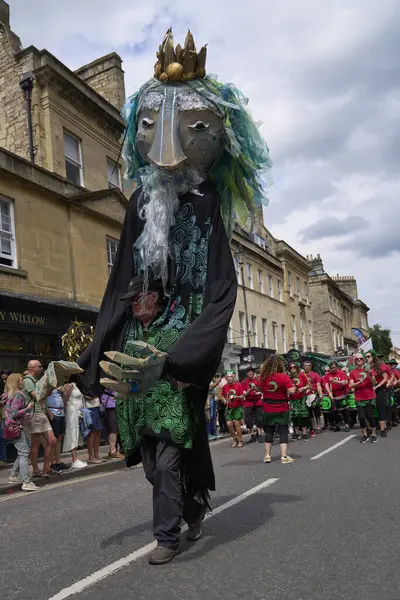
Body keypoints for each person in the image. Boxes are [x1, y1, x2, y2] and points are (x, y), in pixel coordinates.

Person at [78, 27, 270, 566]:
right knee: (151, 448)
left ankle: (168, 534)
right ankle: (191, 505)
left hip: (179, 342)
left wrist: (183, 356)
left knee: (167, 446)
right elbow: (120, 288)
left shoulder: (208, 205)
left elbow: (220, 291)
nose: (165, 151)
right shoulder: (140, 202)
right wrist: (97, 353)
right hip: (140, 339)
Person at [3, 373, 39, 491]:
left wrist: (25, 413)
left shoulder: (10, 395)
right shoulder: (18, 395)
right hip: (17, 427)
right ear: (17, 381)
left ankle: (13, 475)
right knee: (24, 453)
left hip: (12, 427)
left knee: (23, 451)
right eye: (21, 380)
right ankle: (26, 482)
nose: (23, 381)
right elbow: (14, 414)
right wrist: (27, 409)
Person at [259, 355, 296, 464]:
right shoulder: (283, 377)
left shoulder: (263, 377)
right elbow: (292, 390)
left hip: (268, 407)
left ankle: (267, 455)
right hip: (281, 407)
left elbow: (258, 388)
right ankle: (284, 457)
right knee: (283, 430)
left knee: (269, 430)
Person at [23, 360, 57, 478]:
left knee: (52, 440)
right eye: (39, 366)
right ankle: (36, 470)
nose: (41, 368)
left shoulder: (36, 381)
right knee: (35, 444)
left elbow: (42, 397)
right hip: (33, 414)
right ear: (32, 368)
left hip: (41, 413)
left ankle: (46, 468)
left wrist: (50, 388)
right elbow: (36, 396)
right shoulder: (27, 380)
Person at [349, 353, 378, 443]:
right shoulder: (353, 372)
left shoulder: (369, 369)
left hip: (369, 396)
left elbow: (374, 382)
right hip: (359, 397)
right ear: (355, 361)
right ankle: (365, 435)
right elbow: (351, 385)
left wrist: (369, 373)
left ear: (363, 360)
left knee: (370, 416)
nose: (359, 360)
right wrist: (359, 382)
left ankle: (373, 434)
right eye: (357, 359)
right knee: (361, 417)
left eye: (361, 359)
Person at [63, 377, 87, 469]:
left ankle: (76, 458)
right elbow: (65, 400)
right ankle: (74, 459)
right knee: (72, 432)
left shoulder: (76, 386)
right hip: (71, 411)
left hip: (77, 412)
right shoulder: (69, 386)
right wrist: (65, 413)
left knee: (76, 433)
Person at [366, 350, 390, 437]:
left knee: (381, 408)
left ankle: (383, 429)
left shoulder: (380, 366)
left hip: (379, 388)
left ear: (373, 356)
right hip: (369, 389)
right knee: (369, 409)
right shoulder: (366, 367)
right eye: (366, 357)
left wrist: (377, 386)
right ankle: (371, 428)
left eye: (368, 356)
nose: (367, 358)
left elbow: (385, 378)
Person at [46, 386, 69, 472]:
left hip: (61, 412)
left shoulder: (61, 386)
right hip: (53, 412)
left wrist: (63, 392)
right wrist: (48, 411)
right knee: (53, 439)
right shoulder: (50, 386)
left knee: (59, 437)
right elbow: (42, 398)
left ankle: (58, 461)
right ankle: (52, 463)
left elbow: (64, 400)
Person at [288, 362, 310, 441]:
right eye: (291, 367)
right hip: (292, 399)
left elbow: (308, 385)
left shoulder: (302, 375)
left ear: (297, 368)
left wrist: (303, 388)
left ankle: (304, 433)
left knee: (303, 415)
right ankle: (296, 433)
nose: (292, 369)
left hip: (301, 398)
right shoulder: (288, 377)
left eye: (294, 367)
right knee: (294, 416)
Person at [100, 388, 125, 459]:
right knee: (113, 429)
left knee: (120, 428)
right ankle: (113, 450)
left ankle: (121, 449)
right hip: (111, 405)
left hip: (121, 403)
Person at [324, 361, 348, 432]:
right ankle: (336, 425)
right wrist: (329, 393)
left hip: (342, 394)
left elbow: (344, 382)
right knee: (334, 411)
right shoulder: (328, 375)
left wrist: (334, 381)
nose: (333, 369)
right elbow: (326, 384)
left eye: (334, 367)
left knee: (344, 410)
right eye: (331, 368)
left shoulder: (341, 373)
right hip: (334, 395)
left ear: (337, 367)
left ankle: (346, 424)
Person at [222, 372, 244, 448]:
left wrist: (236, 397)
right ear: (226, 378)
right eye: (228, 377)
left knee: (237, 424)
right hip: (229, 408)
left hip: (237, 407)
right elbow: (223, 396)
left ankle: (240, 441)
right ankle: (235, 440)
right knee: (229, 424)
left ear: (233, 377)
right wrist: (224, 400)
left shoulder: (238, 385)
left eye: (231, 376)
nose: (229, 378)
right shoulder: (225, 386)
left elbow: (242, 396)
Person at [242, 367, 264, 443]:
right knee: (248, 420)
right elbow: (244, 394)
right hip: (248, 402)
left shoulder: (258, 380)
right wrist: (250, 390)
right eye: (248, 372)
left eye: (251, 371)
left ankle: (260, 434)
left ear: (253, 372)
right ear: (247, 373)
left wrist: (257, 391)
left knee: (259, 419)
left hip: (258, 401)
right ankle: (252, 435)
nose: (250, 373)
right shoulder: (244, 382)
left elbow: (263, 390)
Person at [303, 360, 323, 435]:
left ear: (310, 367)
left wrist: (320, 393)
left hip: (314, 395)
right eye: (305, 366)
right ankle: (313, 427)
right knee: (310, 414)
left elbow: (318, 385)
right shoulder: (302, 375)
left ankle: (318, 427)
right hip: (306, 396)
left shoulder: (315, 375)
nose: (306, 367)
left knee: (317, 413)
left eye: (308, 366)